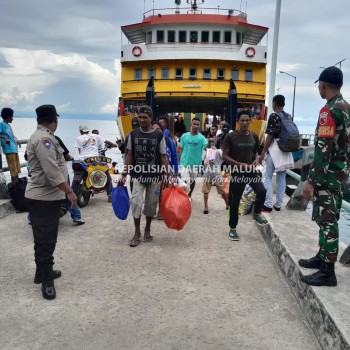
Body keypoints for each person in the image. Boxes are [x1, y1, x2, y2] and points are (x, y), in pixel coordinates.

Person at [299, 66, 350, 287]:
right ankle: (322, 258)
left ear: (323, 85)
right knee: (329, 218)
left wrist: (312, 181)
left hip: (327, 176)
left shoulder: (328, 111)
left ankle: (328, 272)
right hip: (340, 174)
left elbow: (322, 149)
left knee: (327, 221)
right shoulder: (347, 108)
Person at [25, 104, 78, 300]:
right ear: (54, 119)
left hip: (45, 197)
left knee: (45, 239)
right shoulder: (45, 139)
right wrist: (70, 192)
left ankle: (42, 273)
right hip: (43, 198)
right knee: (46, 241)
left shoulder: (41, 135)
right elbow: (52, 171)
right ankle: (47, 281)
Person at [121, 105, 170, 247]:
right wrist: (124, 173)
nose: (142, 120)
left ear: (150, 118)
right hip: (137, 175)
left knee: (150, 204)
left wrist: (168, 173)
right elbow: (129, 155)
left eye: (145, 117)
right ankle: (137, 231)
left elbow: (163, 156)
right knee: (136, 202)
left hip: (154, 176)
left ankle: (147, 228)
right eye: (140, 117)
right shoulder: (132, 134)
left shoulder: (159, 135)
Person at [222, 110, 267, 241]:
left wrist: (257, 159)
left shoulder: (254, 136)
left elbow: (256, 153)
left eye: (247, 120)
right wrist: (240, 164)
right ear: (238, 121)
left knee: (262, 191)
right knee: (234, 202)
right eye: (242, 120)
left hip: (251, 171)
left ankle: (257, 213)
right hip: (237, 172)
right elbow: (224, 156)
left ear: (250, 121)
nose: (245, 123)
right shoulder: (230, 137)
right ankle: (233, 229)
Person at [259, 95, 295, 212]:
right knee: (282, 178)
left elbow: (270, 136)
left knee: (267, 177)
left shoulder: (274, 116)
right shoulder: (288, 116)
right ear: (283, 104)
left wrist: (263, 152)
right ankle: (278, 205)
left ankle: (268, 204)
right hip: (286, 149)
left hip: (275, 149)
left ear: (274, 103)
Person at [74, 125, 112, 202]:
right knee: (106, 172)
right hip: (94, 159)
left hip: (83, 160)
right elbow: (107, 142)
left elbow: (80, 152)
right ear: (88, 131)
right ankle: (110, 195)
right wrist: (115, 145)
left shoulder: (78, 138)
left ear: (80, 131)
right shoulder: (95, 137)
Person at [178, 118, 208, 199]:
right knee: (184, 181)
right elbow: (180, 148)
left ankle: (190, 194)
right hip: (184, 162)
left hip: (195, 164)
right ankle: (184, 196)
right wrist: (179, 159)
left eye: (197, 124)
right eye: (194, 124)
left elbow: (206, 146)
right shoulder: (184, 136)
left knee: (192, 180)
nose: (196, 126)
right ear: (191, 124)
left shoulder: (202, 138)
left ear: (199, 126)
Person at [202, 141, 228, 214]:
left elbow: (203, 162)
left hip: (208, 172)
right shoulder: (219, 151)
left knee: (206, 190)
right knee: (222, 190)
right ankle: (227, 204)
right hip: (217, 172)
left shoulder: (206, 151)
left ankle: (206, 207)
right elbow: (224, 158)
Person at [0, 108, 21, 181]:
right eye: (12, 116)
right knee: (13, 172)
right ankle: (15, 188)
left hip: (14, 149)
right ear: (8, 116)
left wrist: (17, 140)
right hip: (9, 150)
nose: (12, 118)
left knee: (16, 170)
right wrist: (4, 137)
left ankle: (17, 186)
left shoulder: (8, 125)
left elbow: (12, 135)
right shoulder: (1, 124)